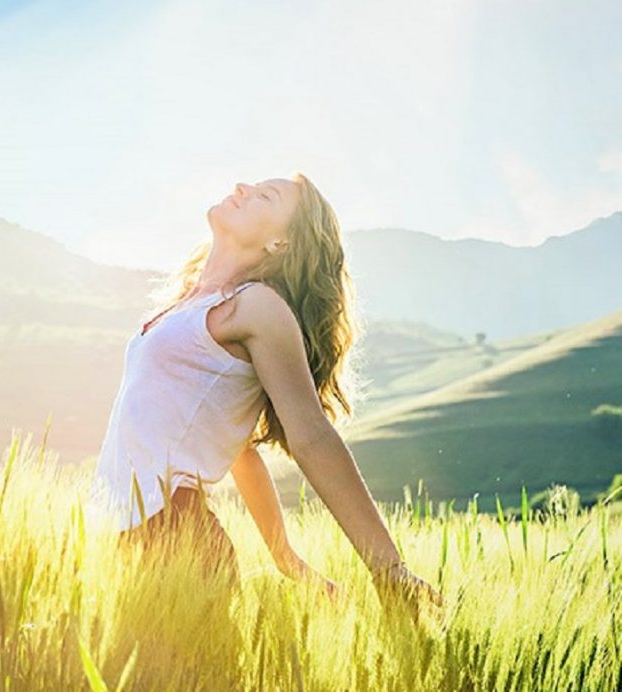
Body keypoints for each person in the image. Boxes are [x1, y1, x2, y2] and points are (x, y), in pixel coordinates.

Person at [90, 172, 444, 624]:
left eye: (265, 196)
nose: (242, 188)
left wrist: (388, 567)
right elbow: (238, 448)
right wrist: (284, 555)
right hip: (121, 538)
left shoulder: (257, 307)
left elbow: (312, 436)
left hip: (174, 543)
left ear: (281, 243)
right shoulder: (190, 303)